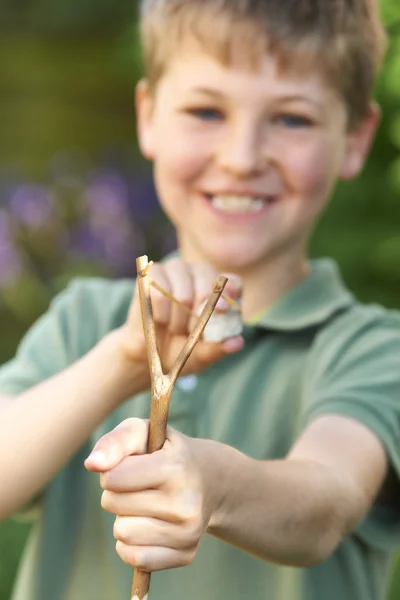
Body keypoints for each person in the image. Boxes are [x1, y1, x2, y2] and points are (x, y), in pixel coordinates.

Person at [1, 0, 399, 599]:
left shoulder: (372, 348)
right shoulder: (85, 323)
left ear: (355, 138)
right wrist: (121, 363)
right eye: (206, 110)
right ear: (148, 116)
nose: (241, 158)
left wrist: (216, 485)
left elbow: (328, 500)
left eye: (292, 119)